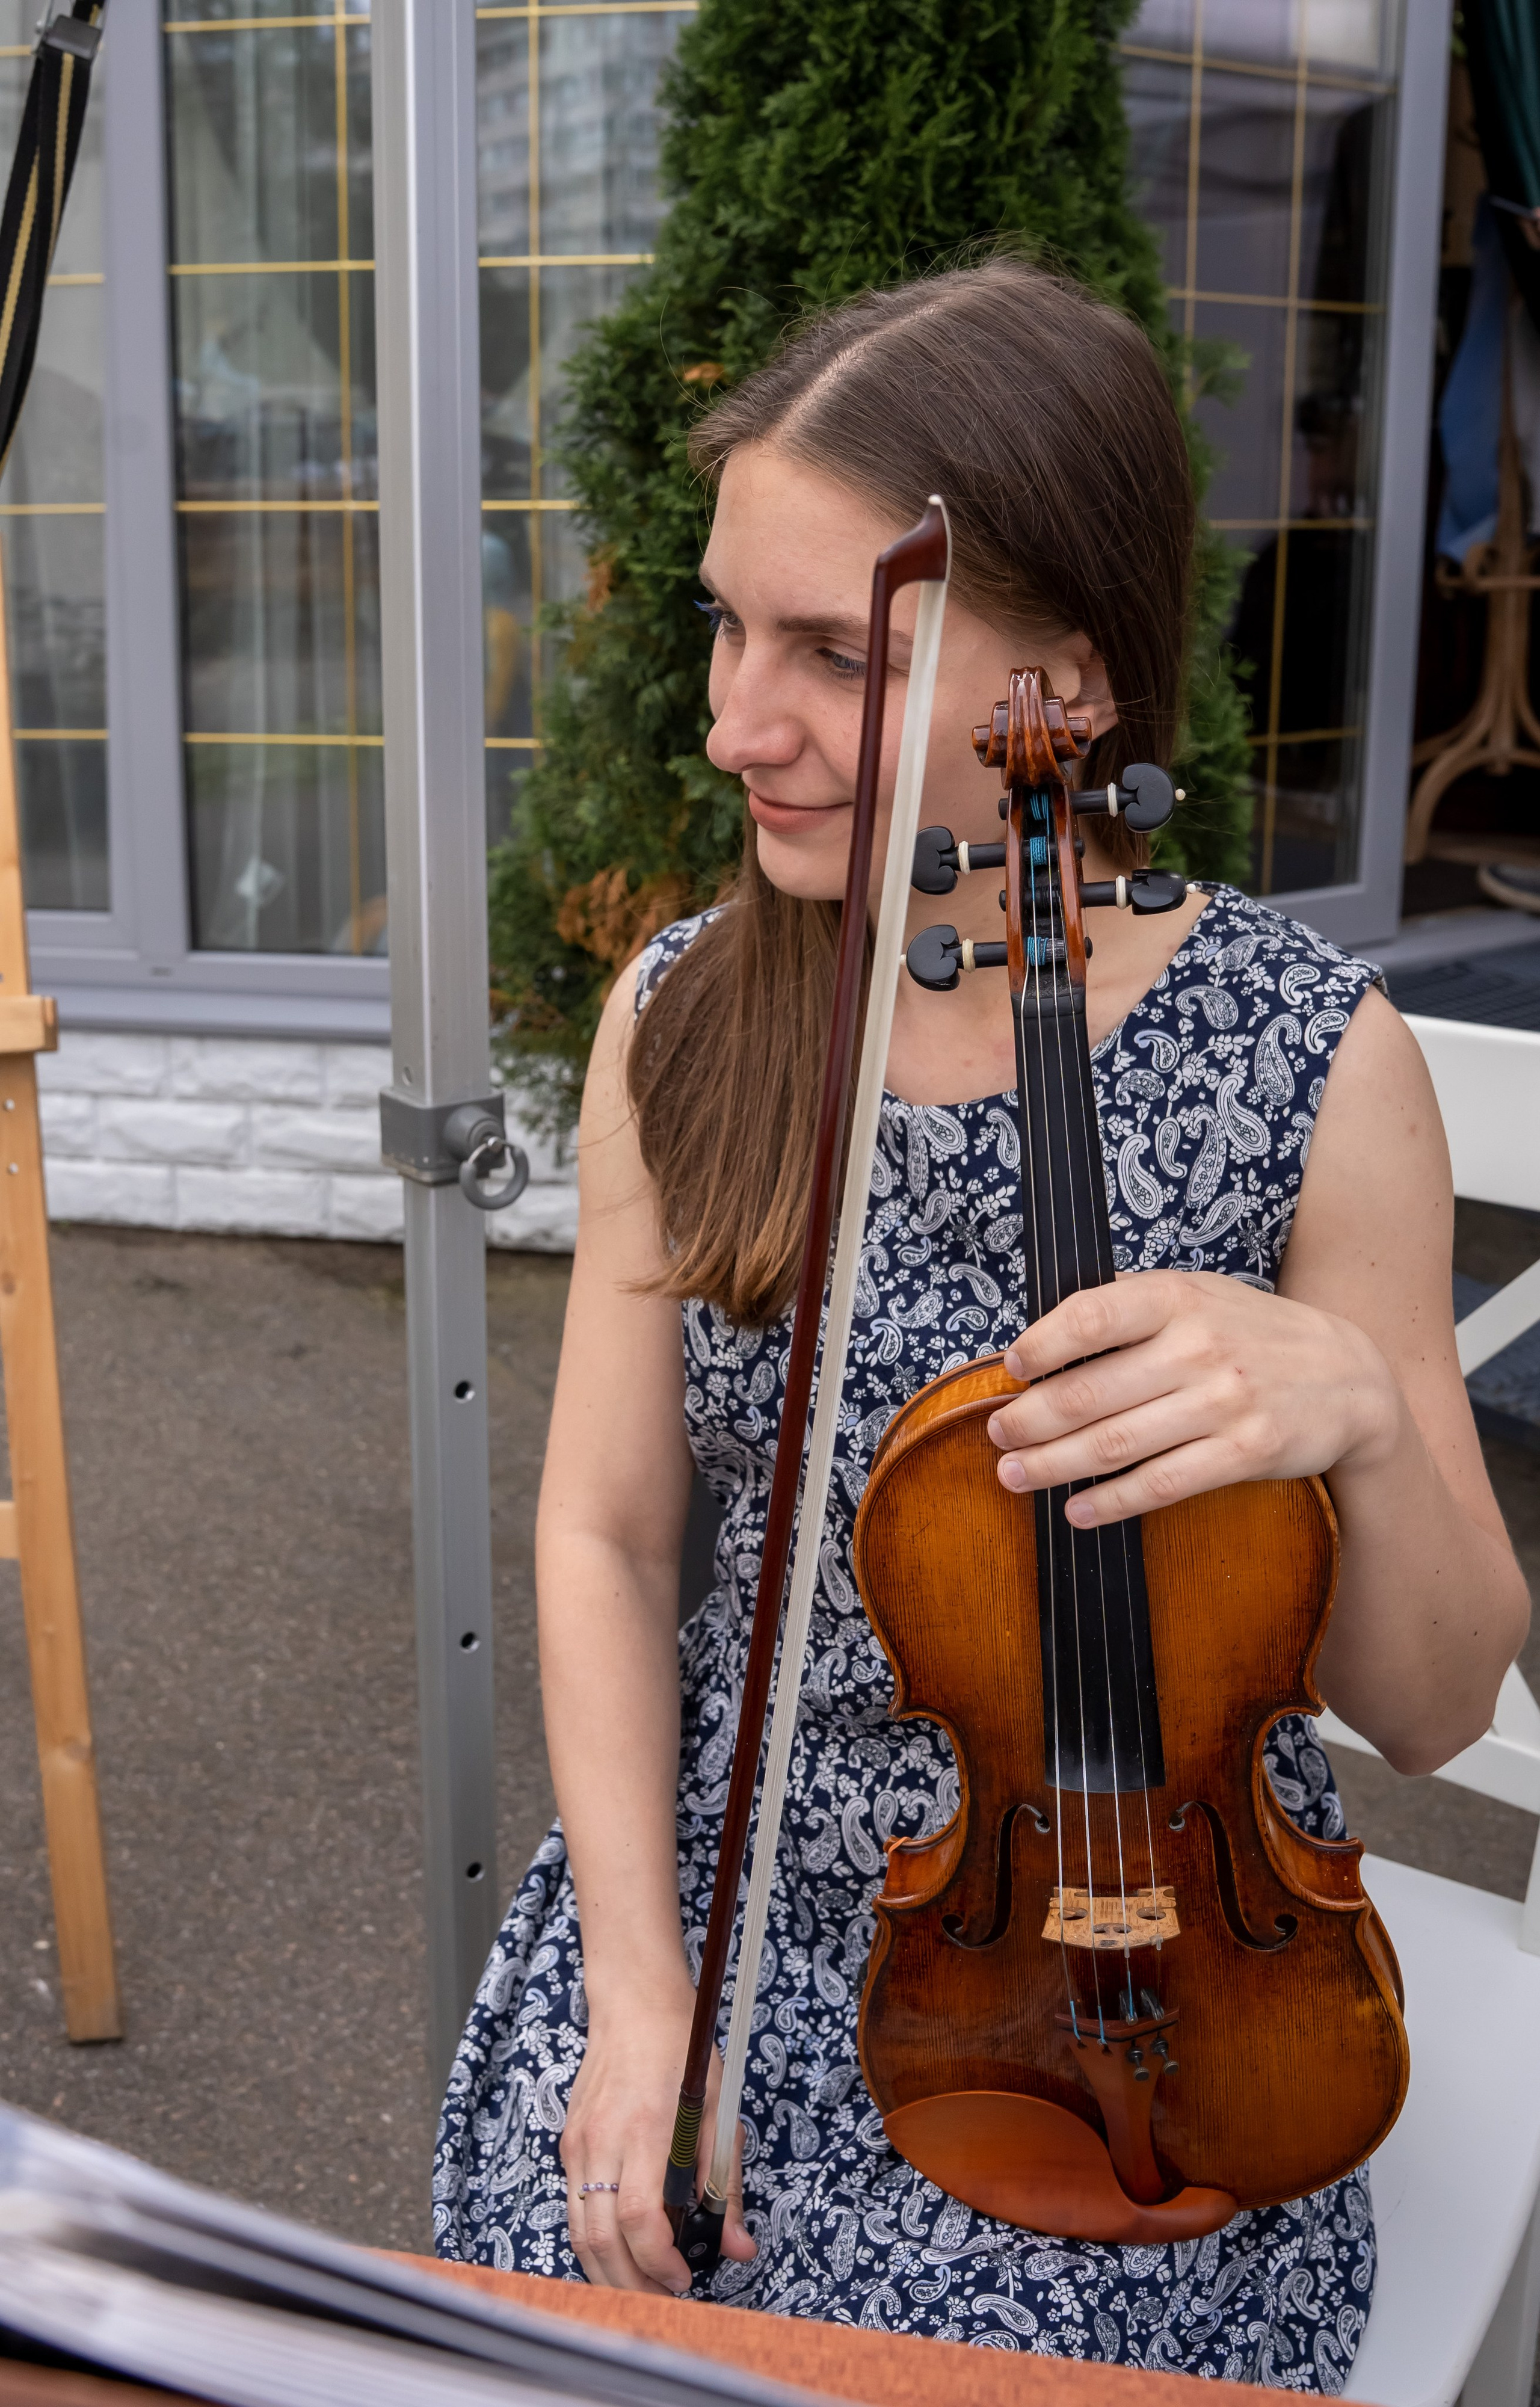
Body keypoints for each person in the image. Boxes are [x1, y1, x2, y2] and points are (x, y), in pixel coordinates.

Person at [433, 260, 1529, 2387]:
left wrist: (1365, 1421)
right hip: (725, 1918)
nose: (736, 722)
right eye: (727, 627)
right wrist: (642, 1991)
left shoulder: (1314, 1061)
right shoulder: (693, 1013)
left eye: (835, 653)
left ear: (1074, 689)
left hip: (1152, 1997)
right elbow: (611, 1533)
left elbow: (1427, 1706)